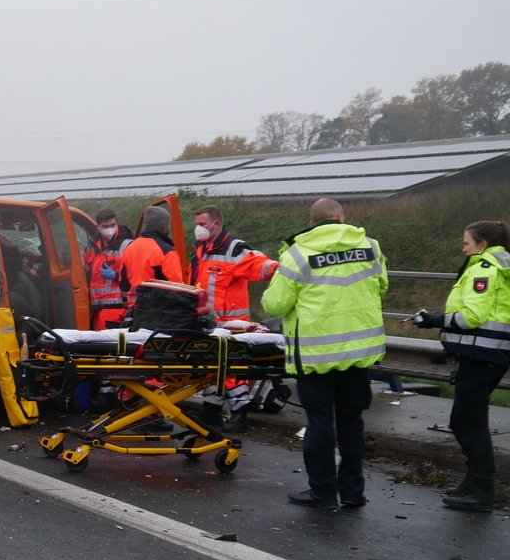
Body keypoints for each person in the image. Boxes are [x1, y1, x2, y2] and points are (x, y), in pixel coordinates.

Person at [262, 198, 388, 510]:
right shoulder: (370, 246)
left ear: (311, 222)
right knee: (352, 419)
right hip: (358, 352)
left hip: (316, 355)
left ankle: (322, 491)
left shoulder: (297, 254)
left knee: (319, 420)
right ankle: (353, 491)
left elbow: (275, 306)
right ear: (342, 217)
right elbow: (382, 285)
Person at [412, 220, 510, 512]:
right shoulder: (499, 265)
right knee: (468, 420)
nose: (463, 247)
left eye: (467, 242)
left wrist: (435, 319)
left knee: (467, 422)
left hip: (483, 354)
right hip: (488, 354)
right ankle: (476, 483)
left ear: (482, 244)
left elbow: (472, 317)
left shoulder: (485, 269)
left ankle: (483, 489)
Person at [189, 205, 279, 432]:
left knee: (232, 370)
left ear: (216, 225)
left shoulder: (234, 249)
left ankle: (239, 413)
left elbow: (261, 265)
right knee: (211, 368)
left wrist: (283, 270)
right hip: (209, 324)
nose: (198, 229)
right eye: (197, 224)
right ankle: (212, 411)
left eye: (202, 224)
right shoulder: (201, 250)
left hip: (232, 325)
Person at [120, 205, 183, 307]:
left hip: (135, 310)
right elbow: (178, 288)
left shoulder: (130, 248)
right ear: (165, 227)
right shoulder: (166, 251)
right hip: (158, 312)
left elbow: (124, 283)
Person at [83, 208, 133, 329]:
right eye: (106, 226)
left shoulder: (127, 244)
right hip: (97, 306)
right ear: (98, 226)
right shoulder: (93, 243)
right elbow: (87, 265)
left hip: (118, 305)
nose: (110, 229)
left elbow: (135, 274)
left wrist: (115, 275)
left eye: (113, 225)